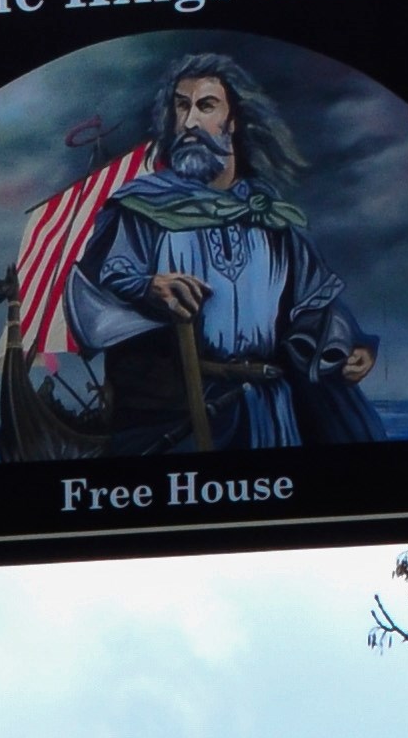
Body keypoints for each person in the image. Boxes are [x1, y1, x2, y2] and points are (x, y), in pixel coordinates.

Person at [53, 50, 380, 455]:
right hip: (181, 415)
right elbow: (95, 292)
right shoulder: (142, 209)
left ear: (234, 120)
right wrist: (147, 287)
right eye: (181, 107)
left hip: (272, 413)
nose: (189, 122)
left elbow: (313, 306)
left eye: (206, 106)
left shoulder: (268, 214)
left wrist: (352, 346)